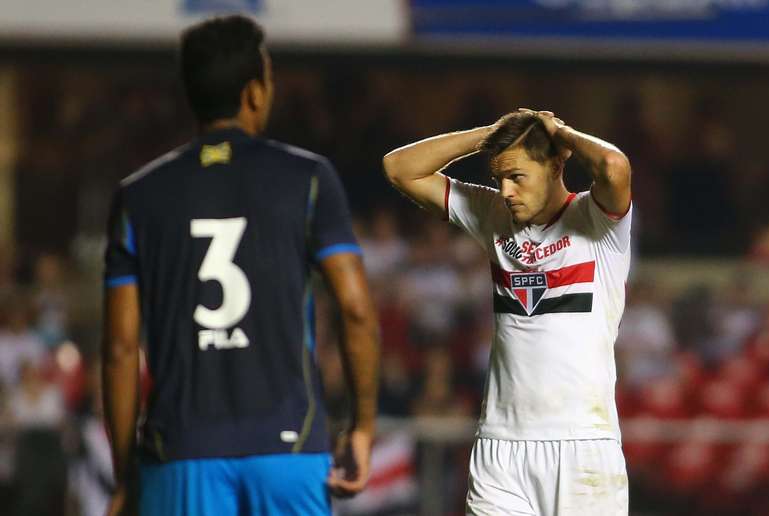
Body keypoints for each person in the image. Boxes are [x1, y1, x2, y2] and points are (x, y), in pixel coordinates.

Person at [102, 15, 380, 516]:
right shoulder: (309, 178)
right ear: (255, 92)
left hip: (181, 451)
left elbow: (121, 347)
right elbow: (356, 308)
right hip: (291, 450)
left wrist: (126, 476)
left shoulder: (137, 196)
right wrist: (361, 427)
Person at [383, 108, 632, 515]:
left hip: (583, 445)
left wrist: (561, 133)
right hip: (501, 446)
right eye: (499, 178)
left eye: (517, 176)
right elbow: (399, 169)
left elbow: (613, 165)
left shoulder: (597, 221)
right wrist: (489, 135)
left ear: (555, 165)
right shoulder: (493, 214)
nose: (506, 191)